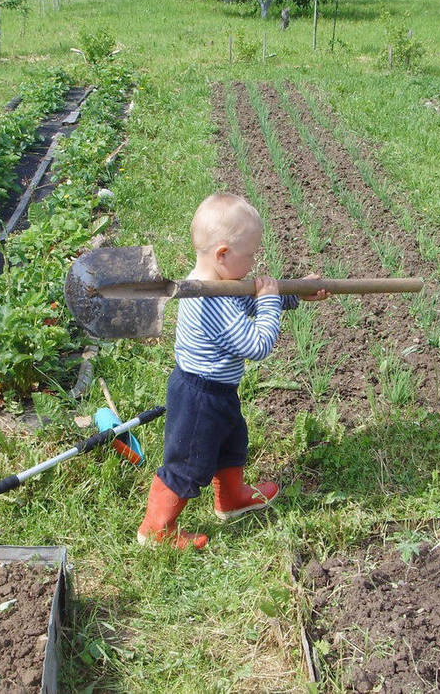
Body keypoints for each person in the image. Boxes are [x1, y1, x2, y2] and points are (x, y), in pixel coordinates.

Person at [137, 193, 329, 549]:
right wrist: (271, 300)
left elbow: (246, 302)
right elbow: (257, 345)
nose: (255, 262)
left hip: (217, 392)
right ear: (223, 254)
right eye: (251, 254)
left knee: (231, 444)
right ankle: (155, 530)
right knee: (188, 463)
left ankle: (231, 499)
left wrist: (295, 294)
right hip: (200, 396)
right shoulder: (210, 300)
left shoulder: (218, 283)